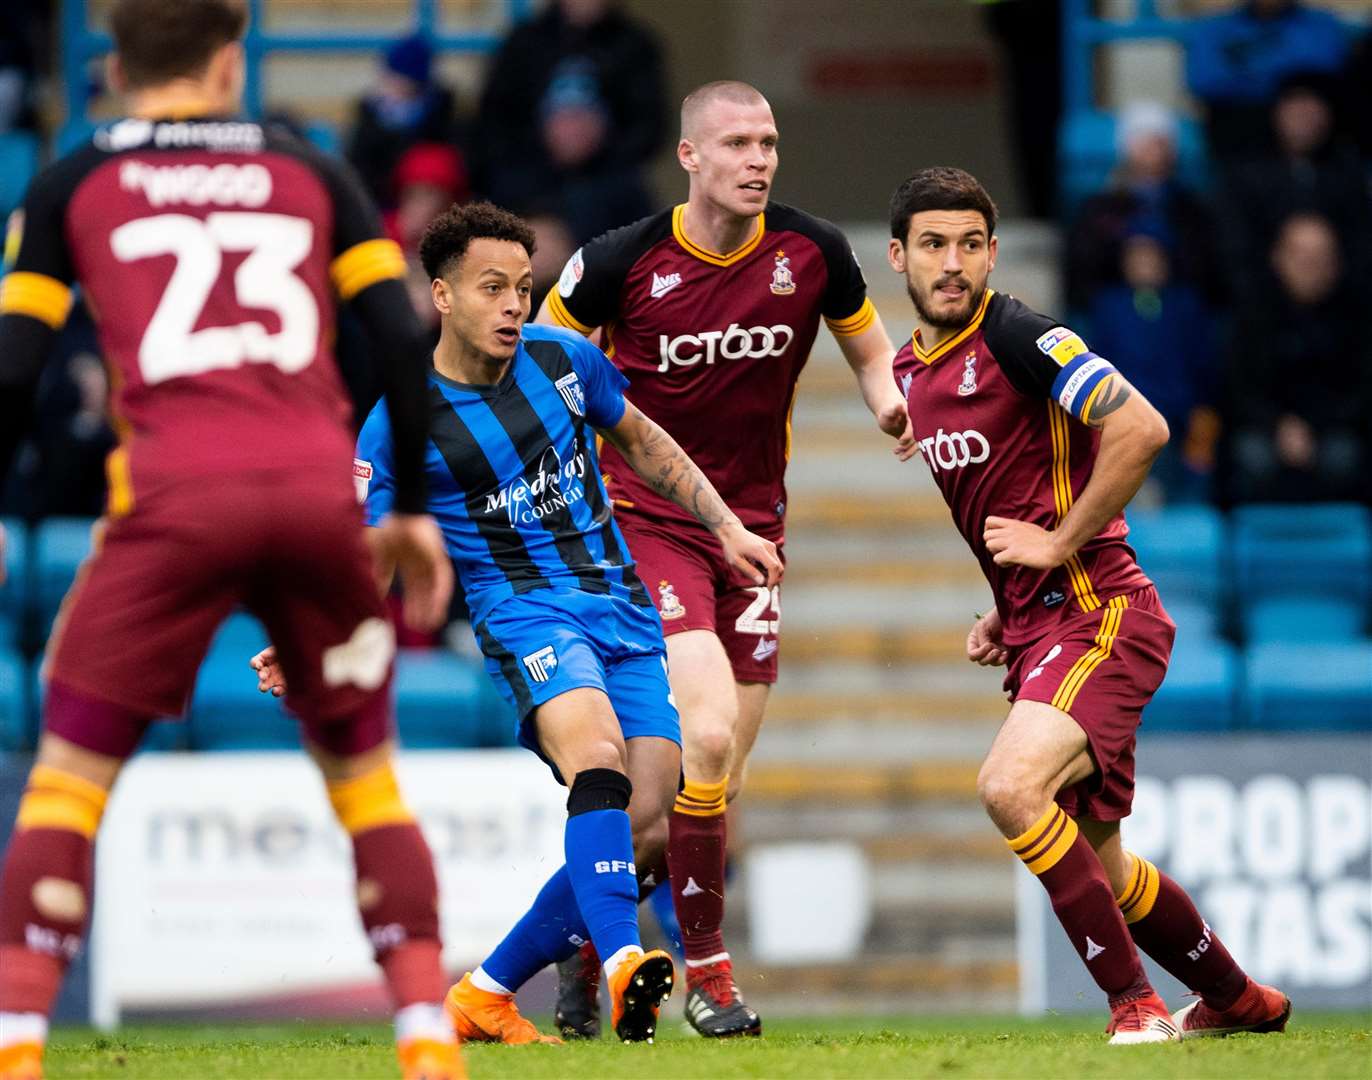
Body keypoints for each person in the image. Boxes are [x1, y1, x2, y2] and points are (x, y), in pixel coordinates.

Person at [0, 4, 459, 1079]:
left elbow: (16, 369)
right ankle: (428, 1036)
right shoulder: (305, 168)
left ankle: (16, 1043)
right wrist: (406, 513)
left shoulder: (72, 180)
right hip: (311, 494)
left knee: (67, 781)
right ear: (226, 65)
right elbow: (400, 332)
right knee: (365, 781)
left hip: (173, 497)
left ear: (112, 69)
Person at [249, 201, 783, 1045]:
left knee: (648, 822)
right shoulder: (400, 421)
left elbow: (644, 441)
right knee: (597, 758)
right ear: (442, 296)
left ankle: (487, 991)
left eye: (523, 289)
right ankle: (618, 963)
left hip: (621, 608)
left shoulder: (566, 359)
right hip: (526, 618)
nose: (513, 306)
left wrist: (726, 526)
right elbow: (377, 552)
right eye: (492, 288)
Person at [536, 80, 912, 1038]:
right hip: (644, 522)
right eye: (739, 143)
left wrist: (889, 399)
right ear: (690, 155)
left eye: (770, 142)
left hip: (755, 534)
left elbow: (871, 351)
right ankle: (709, 977)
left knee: (706, 789)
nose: (759, 160)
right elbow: (536, 372)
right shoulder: (616, 262)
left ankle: (586, 952)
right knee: (700, 739)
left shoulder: (813, 251)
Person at [885, 166, 1290, 1043]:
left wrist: (1059, 545)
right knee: (1102, 863)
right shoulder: (912, 369)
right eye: (931, 245)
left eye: (968, 244)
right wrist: (1009, 599)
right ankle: (1239, 1001)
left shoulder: (1025, 335)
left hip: (1103, 611)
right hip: (1042, 622)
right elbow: (1009, 475)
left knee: (1009, 786)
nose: (951, 263)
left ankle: (1134, 1007)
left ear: (993, 254)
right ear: (898, 258)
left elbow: (1141, 427)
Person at [473, 0, 665, 244]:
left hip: (607, 190)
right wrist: (545, 139)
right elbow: (494, 126)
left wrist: (598, 140)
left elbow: (650, 128)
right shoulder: (524, 43)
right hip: (527, 188)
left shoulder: (635, 46)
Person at [1223, 212, 1369, 505]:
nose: (1310, 266)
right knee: (1251, 456)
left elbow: (1361, 391)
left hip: (1333, 429)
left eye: (1321, 257)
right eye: (1300, 255)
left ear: (1337, 263)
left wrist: (1315, 426)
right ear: (1278, 257)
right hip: (1266, 430)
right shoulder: (1252, 317)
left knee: (1345, 456)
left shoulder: (1357, 317)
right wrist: (1279, 427)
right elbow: (1238, 389)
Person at [1185, 0, 1353, 163]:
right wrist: (1285, 77)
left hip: (1315, 139)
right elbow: (1204, 82)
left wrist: (1246, 75)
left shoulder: (1321, 25)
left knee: (1303, 107)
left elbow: (1326, 73)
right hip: (1239, 130)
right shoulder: (1213, 29)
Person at [346, 33, 464, 211]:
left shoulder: (443, 123)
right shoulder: (368, 121)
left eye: (402, 86)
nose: (392, 92)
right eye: (389, 82)